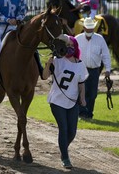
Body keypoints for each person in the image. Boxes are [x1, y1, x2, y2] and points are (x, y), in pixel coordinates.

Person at [42, 36, 88, 169]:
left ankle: (63, 150)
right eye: (67, 45)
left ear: (76, 48)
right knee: (63, 128)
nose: (69, 48)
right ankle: (65, 158)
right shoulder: (57, 61)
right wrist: (48, 64)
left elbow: (81, 83)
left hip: (72, 101)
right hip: (57, 101)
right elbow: (44, 76)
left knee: (72, 132)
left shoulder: (80, 64)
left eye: (72, 46)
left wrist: (83, 98)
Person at [75, 17, 111, 119]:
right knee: (82, 91)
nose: (90, 30)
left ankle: (89, 113)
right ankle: (81, 113)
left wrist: (108, 69)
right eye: (88, 28)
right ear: (84, 28)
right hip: (81, 69)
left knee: (92, 93)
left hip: (94, 70)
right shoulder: (77, 39)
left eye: (91, 28)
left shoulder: (99, 39)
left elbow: (105, 55)